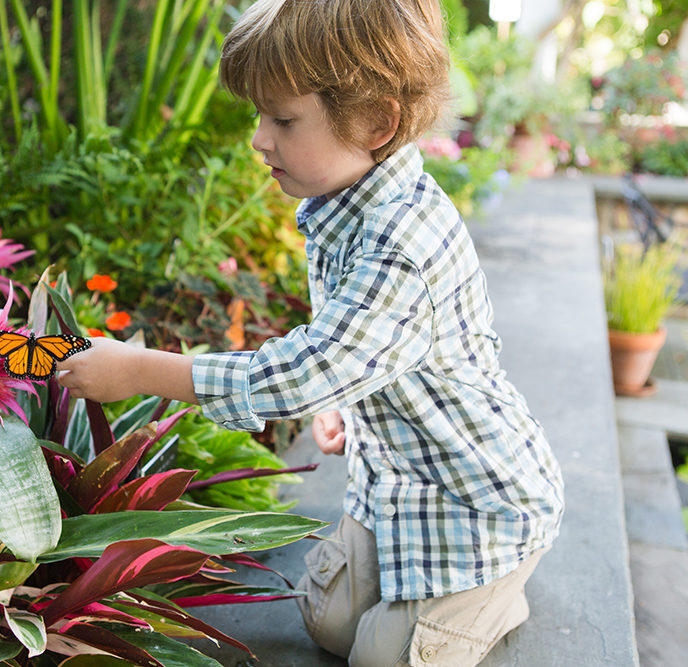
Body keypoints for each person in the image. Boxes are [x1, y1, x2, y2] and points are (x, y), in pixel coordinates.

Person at [57, 0, 565, 664]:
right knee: (327, 620)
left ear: (377, 121)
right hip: (396, 478)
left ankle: (500, 586)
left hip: (478, 503)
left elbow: (305, 368)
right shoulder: (344, 199)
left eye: (283, 119)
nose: (258, 139)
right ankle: (431, 603)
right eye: (260, 115)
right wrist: (340, 399)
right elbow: (346, 345)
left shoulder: (401, 247)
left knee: (381, 656)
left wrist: (139, 369)